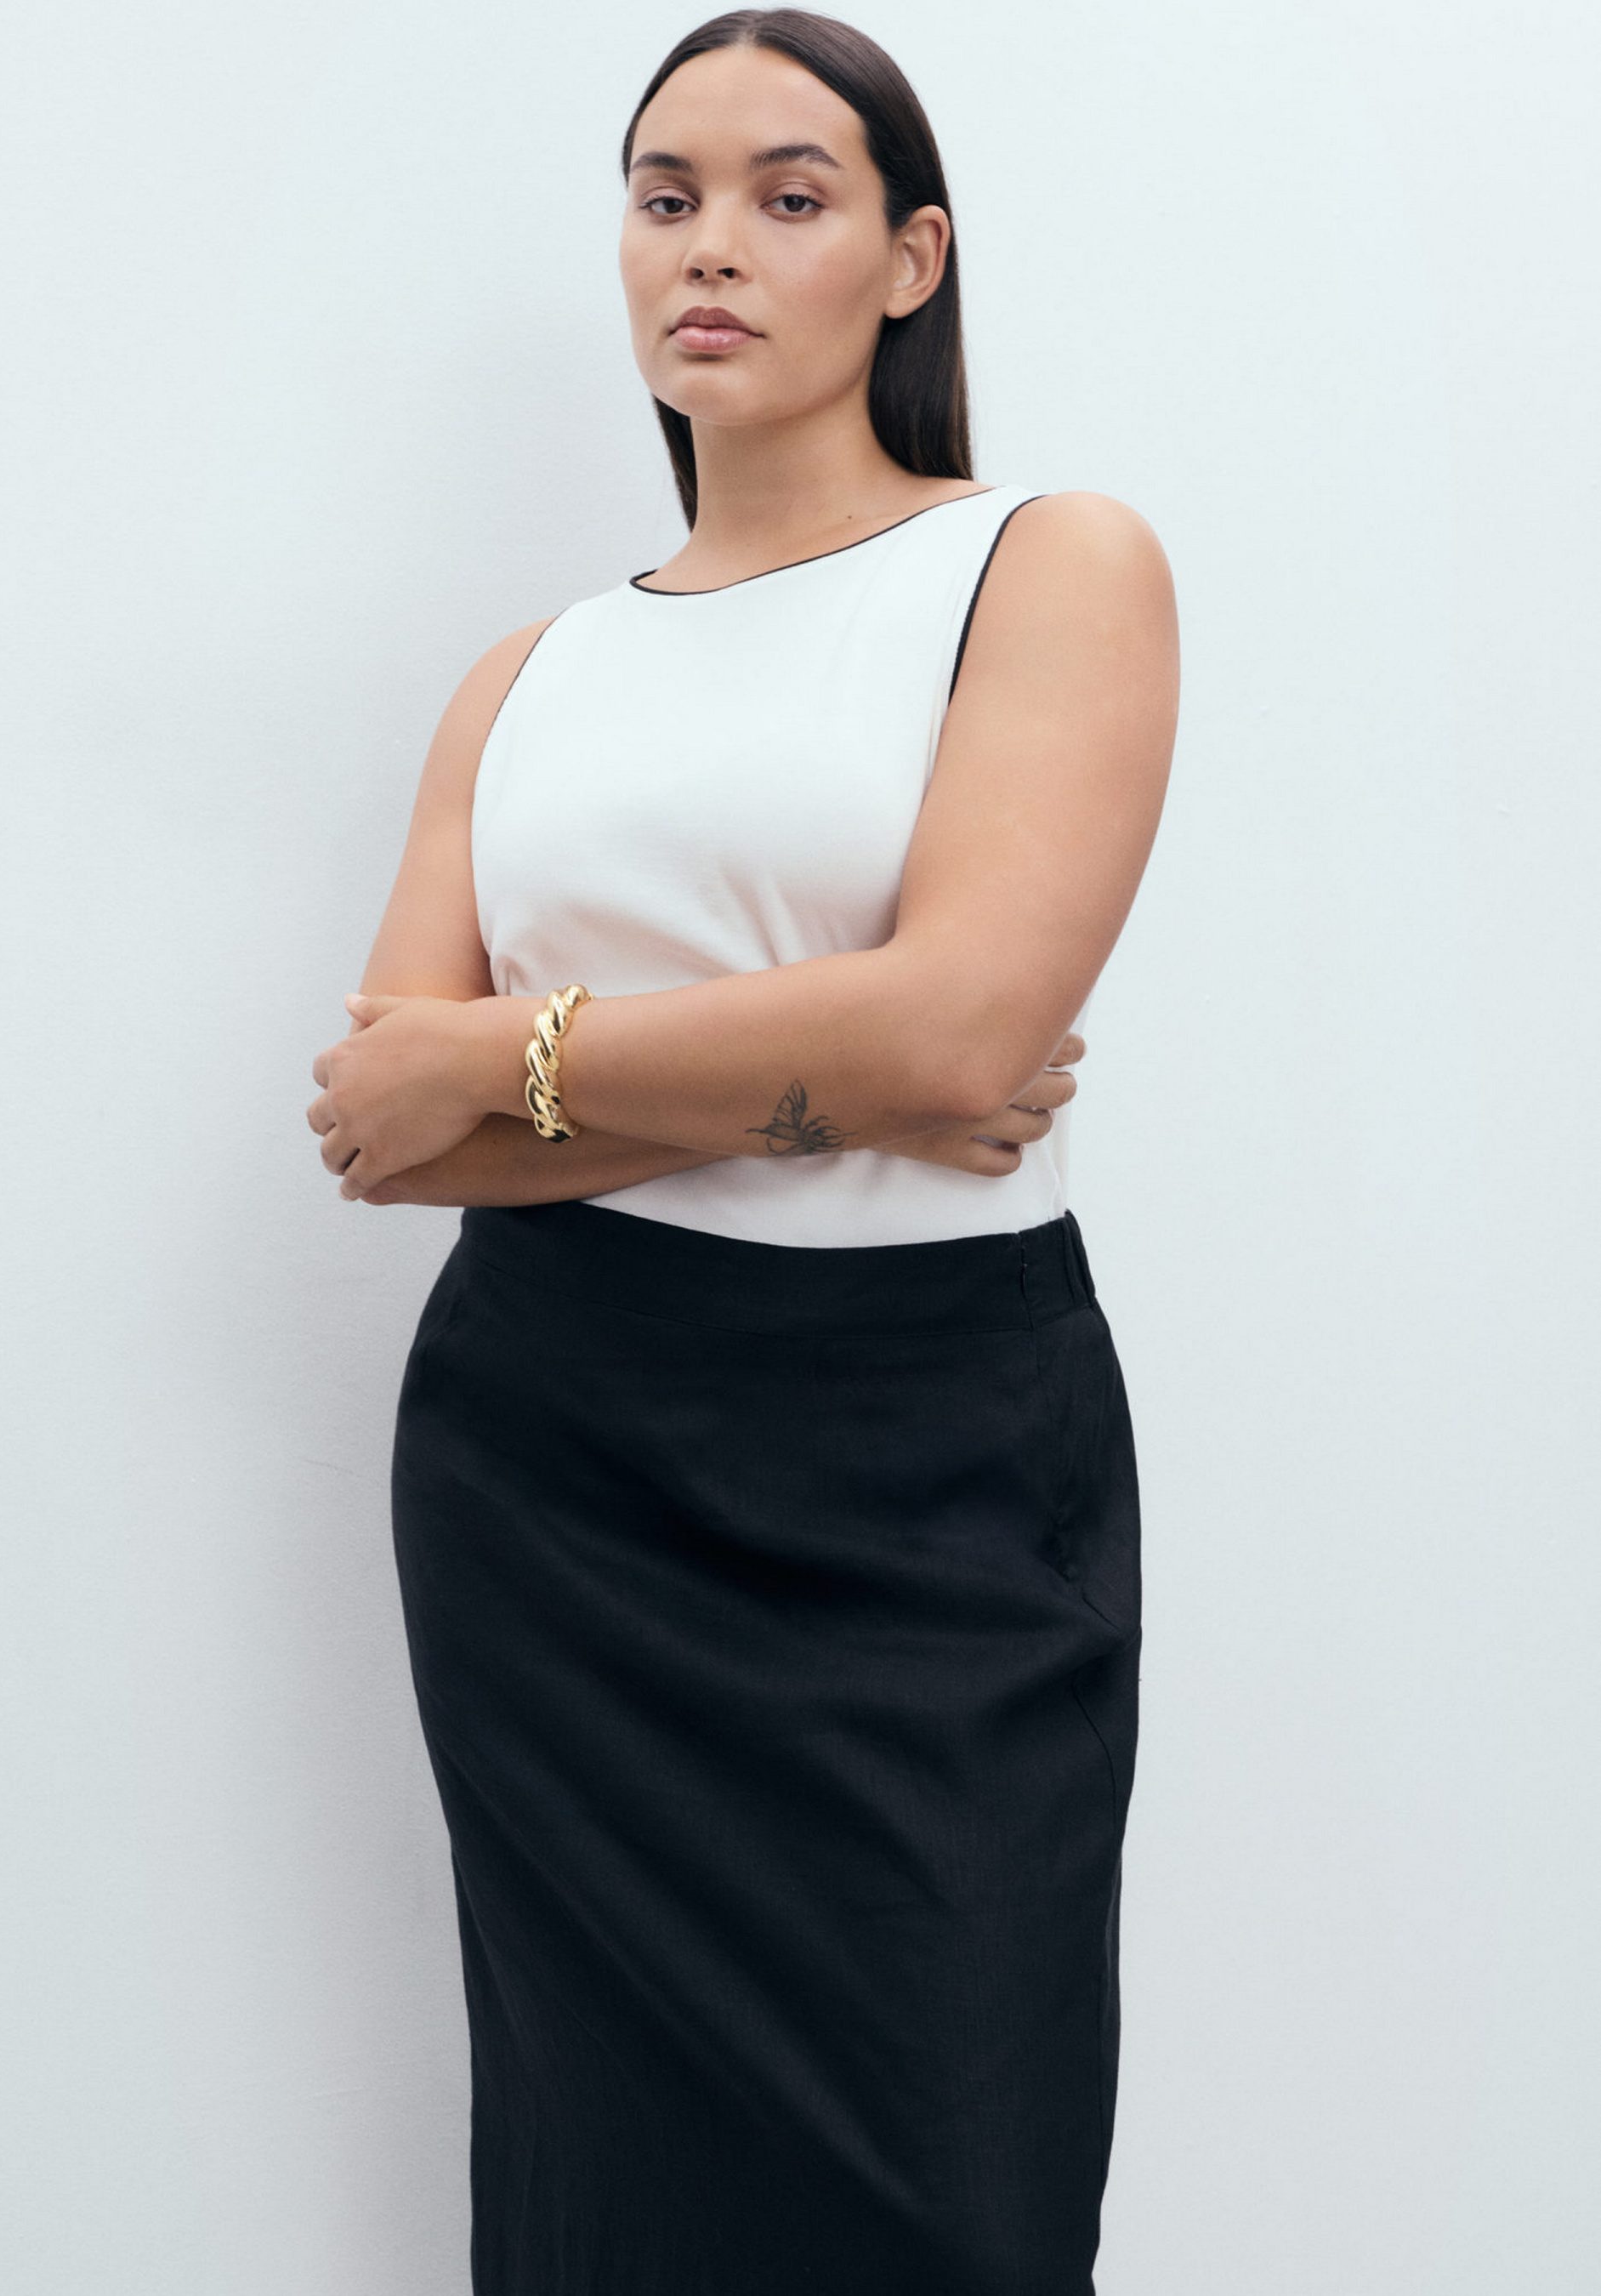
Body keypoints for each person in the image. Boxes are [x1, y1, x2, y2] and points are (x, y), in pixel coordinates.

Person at [307, 9, 1178, 2290]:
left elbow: (962, 1027)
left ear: (910, 261)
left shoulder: (1042, 565)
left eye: (789, 198)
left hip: (931, 1452)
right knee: (608, 2194)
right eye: (663, 195)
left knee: (960, 2177)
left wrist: (520, 1058)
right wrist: (839, 1058)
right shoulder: (525, 677)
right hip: (554, 1473)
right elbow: (386, 1126)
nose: (710, 245)